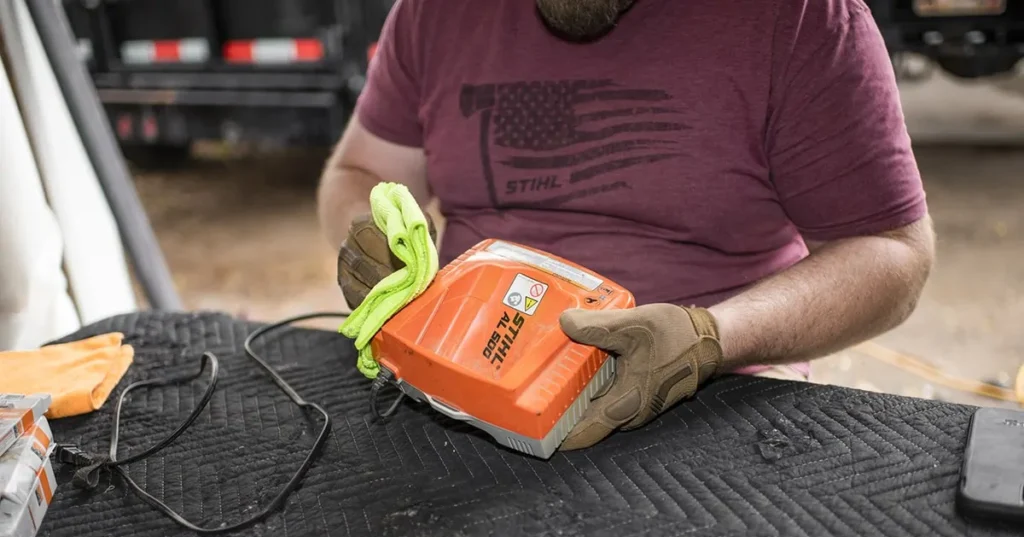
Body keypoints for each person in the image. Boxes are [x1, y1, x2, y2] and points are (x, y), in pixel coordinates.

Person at [316, 0, 935, 449]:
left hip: (708, 403)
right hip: (456, 386)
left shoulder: (799, 17)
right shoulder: (436, 12)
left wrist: (711, 338)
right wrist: (374, 237)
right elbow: (359, 169)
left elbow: (891, 253)